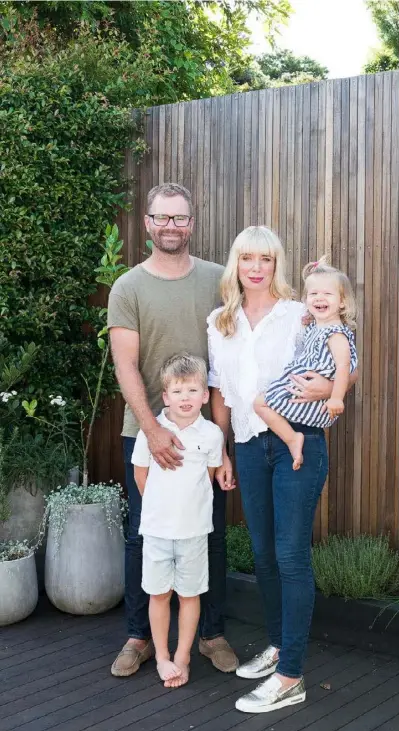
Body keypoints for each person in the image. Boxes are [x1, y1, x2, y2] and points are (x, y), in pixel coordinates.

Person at [207, 226, 357, 714]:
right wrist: (222, 449)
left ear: (276, 265)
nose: (256, 267)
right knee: (264, 554)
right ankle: (277, 645)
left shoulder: (299, 313)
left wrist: (332, 390)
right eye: (247, 258)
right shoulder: (220, 322)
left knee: (291, 556)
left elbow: (343, 355)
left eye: (266, 259)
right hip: (250, 447)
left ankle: (291, 675)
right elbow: (220, 391)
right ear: (236, 264)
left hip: (298, 443)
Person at [108, 182, 238, 678]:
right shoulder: (129, 287)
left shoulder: (216, 280)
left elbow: (224, 365)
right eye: (161, 218)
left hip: (204, 437)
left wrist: (221, 443)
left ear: (191, 223)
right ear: (147, 223)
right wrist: (153, 429)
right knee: (144, 536)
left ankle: (212, 634)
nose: (170, 226)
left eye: (179, 218)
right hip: (144, 433)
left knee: (210, 533)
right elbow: (125, 365)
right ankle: (139, 637)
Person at [132, 353, 224, 688]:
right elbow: (141, 473)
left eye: (192, 390)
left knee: (189, 595)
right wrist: (160, 507)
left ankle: (183, 656)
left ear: (204, 395)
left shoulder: (213, 434)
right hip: (157, 530)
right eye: (178, 391)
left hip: (195, 531)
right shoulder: (151, 432)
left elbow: (209, 475)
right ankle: (161, 656)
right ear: (166, 396)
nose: (185, 398)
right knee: (159, 595)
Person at [254, 256, 357, 471]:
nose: (319, 298)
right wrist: (308, 323)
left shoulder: (336, 334)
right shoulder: (318, 326)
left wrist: (337, 398)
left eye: (327, 294)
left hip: (312, 399)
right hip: (303, 388)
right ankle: (291, 438)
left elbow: (343, 367)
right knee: (260, 403)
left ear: (342, 301)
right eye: (313, 294)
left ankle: (292, 439)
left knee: (260, 403)